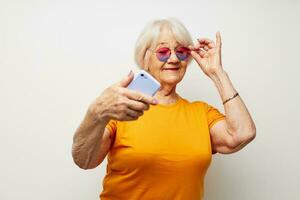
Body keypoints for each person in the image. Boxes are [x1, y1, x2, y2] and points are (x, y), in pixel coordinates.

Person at [72, 18, 256, 200]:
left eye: (182, 52)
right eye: (163, 52)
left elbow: (241, 134)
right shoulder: (122, 108)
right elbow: (84, 160)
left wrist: (217, 73)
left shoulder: (201, 113)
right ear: (145, 58)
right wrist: (96, 113)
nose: (174, 58)